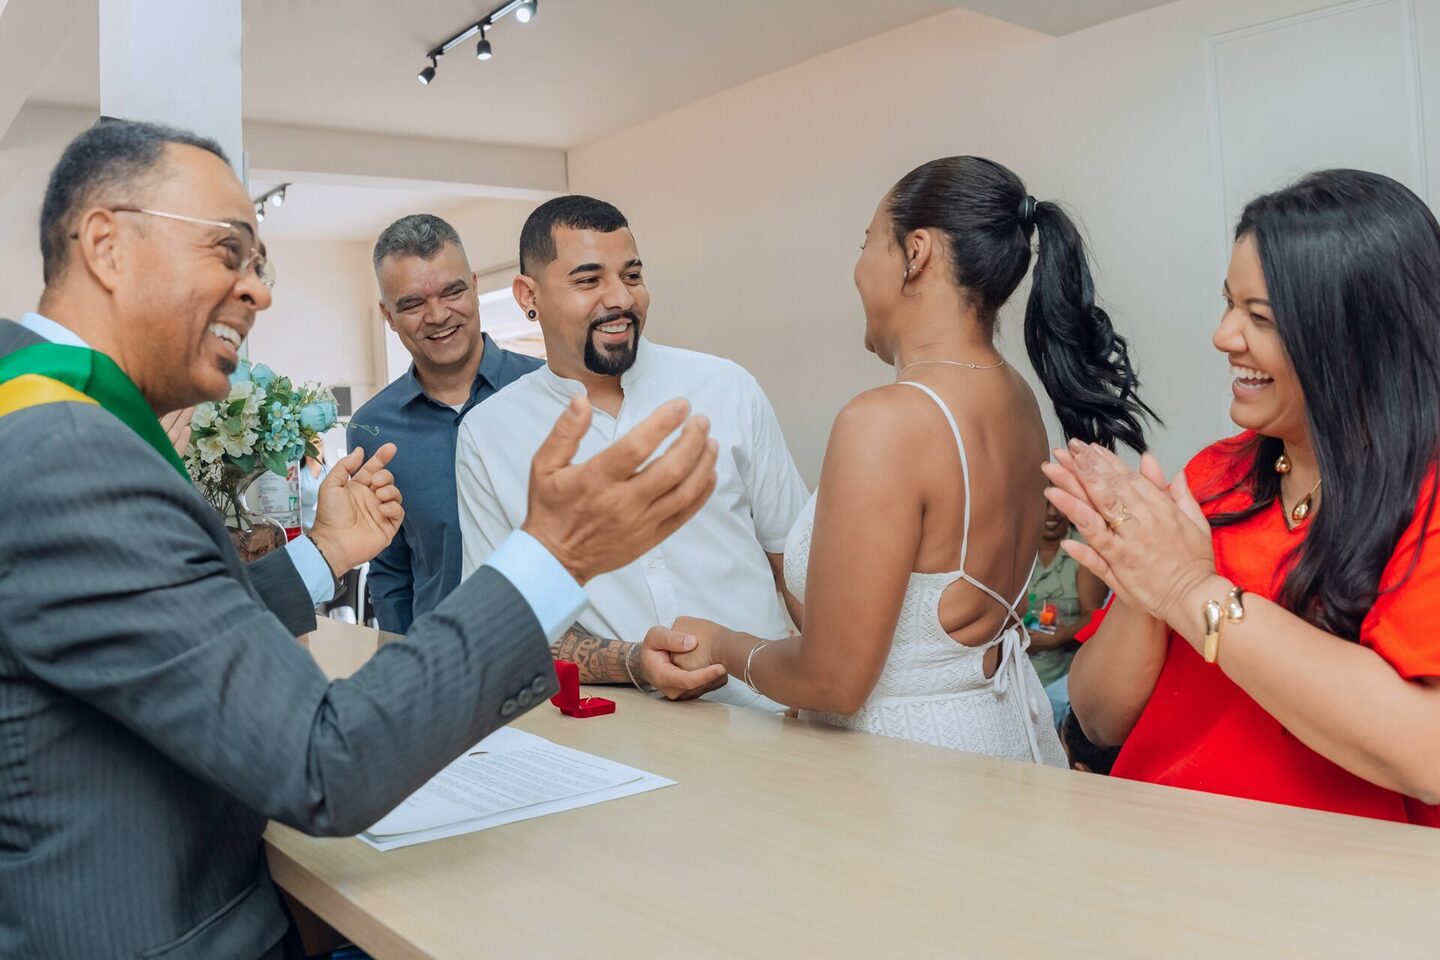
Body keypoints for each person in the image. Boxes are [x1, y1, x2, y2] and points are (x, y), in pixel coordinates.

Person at [0, 119, 719, 959]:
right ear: (106, 246)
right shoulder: (71, 453)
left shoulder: (40, 419)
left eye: (258, 263)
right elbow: (323, 761)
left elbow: (169, 630)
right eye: (228, 251)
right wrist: (555, 555)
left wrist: (324, 554)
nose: (259, 292)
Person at [643, 156, 1155, 765]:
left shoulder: (884, 422)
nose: (858, 268)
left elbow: (834, 681)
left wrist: (720, 644)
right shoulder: (1016, 399)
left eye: (867, 242)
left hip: (908, 768)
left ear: (916, 253)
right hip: (1002, 739)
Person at [1049, 169, 1440, 826]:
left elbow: (1426, 753)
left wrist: (1189, 591)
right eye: (1229, 304)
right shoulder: (1215, 477)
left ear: (1357, 335)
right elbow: (1097, 718)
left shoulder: (1425, 495)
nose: (1224, 336)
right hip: (1161, 850)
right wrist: (1146, 583)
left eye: (1259, 317)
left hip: (1343, 879)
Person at [456, 196, 807, 707]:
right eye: (588, 280)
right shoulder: (488, 434)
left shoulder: (726, 386)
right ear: (528, 295)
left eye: (633, 275)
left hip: (773, 713)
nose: (621, 298)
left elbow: (796, 565)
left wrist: (829, 702)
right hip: (626, 731)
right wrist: (634, 663)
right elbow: (505, 623)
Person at [348, 214, 543, 633]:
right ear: (388, 315)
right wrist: (404, 658)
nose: (437, 315)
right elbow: (390, 572)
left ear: (473, 287)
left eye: (452, 292)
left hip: (564, 653)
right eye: (412, 304)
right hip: (441, 657)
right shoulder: (371, 430)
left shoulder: (551, 391)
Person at [1026, 501, 1107, 726]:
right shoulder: (1018, 544)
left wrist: (1056, 639)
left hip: (1065, 668)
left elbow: (1094, 616)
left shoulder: (1083, 550)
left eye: (1059, 505)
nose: (1053, 512)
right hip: (1018, 659)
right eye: (1045, 504)